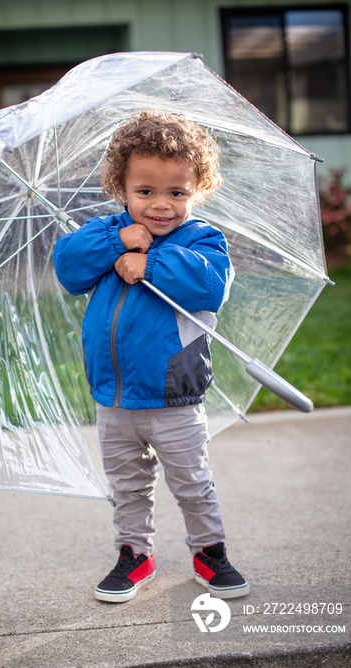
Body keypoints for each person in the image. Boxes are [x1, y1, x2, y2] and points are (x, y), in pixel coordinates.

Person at [53, 110, 249, 602]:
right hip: (114, 396)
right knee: (127, 485)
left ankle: (210, 551)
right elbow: (68, 267)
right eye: (145, 192)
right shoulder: (107, 233)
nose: (161, 206)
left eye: (176, 193)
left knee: (191, 480)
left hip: (173, 396)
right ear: (121, 186)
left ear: (197, 189)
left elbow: (209, 286)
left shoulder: (201, 240)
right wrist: (117, 241)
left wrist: (151, 262)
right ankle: (133, 555)